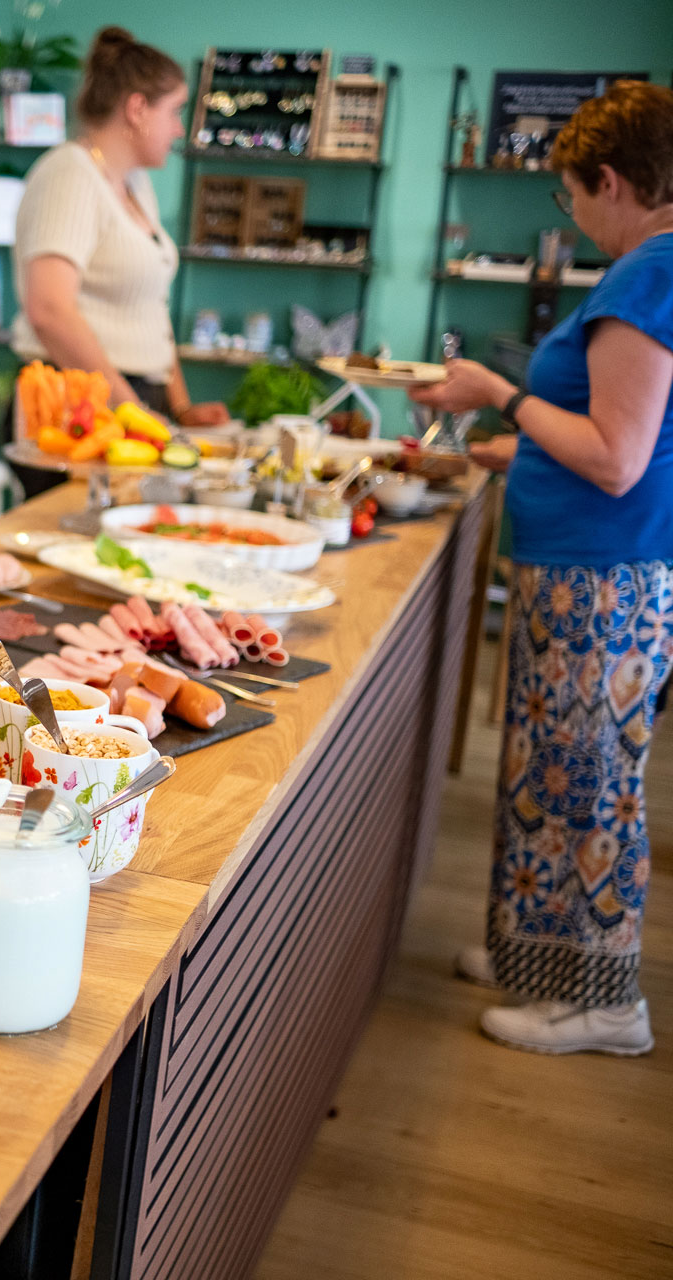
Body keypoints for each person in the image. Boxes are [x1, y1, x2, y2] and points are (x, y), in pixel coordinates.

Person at [409, 79, 673, 1056]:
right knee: (553, 771)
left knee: (591, 781)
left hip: (601, 578)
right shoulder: (647, 272)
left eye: (571, 195)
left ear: (611, 180)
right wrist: (506, 453)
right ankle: (541, 952)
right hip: (586, 567)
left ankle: (605, 1003)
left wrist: (501, 394)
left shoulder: (647, 279)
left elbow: (616, 455)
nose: (573, 214)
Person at [11, 27, 228, 427]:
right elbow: (49, 311)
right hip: (77, 406)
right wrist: (130, 410)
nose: (179, 129)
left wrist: (180, 408)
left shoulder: (135, 184)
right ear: (137, 108)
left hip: (133, 400)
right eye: (175, 111)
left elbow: (151, 310)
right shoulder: (69, 175)